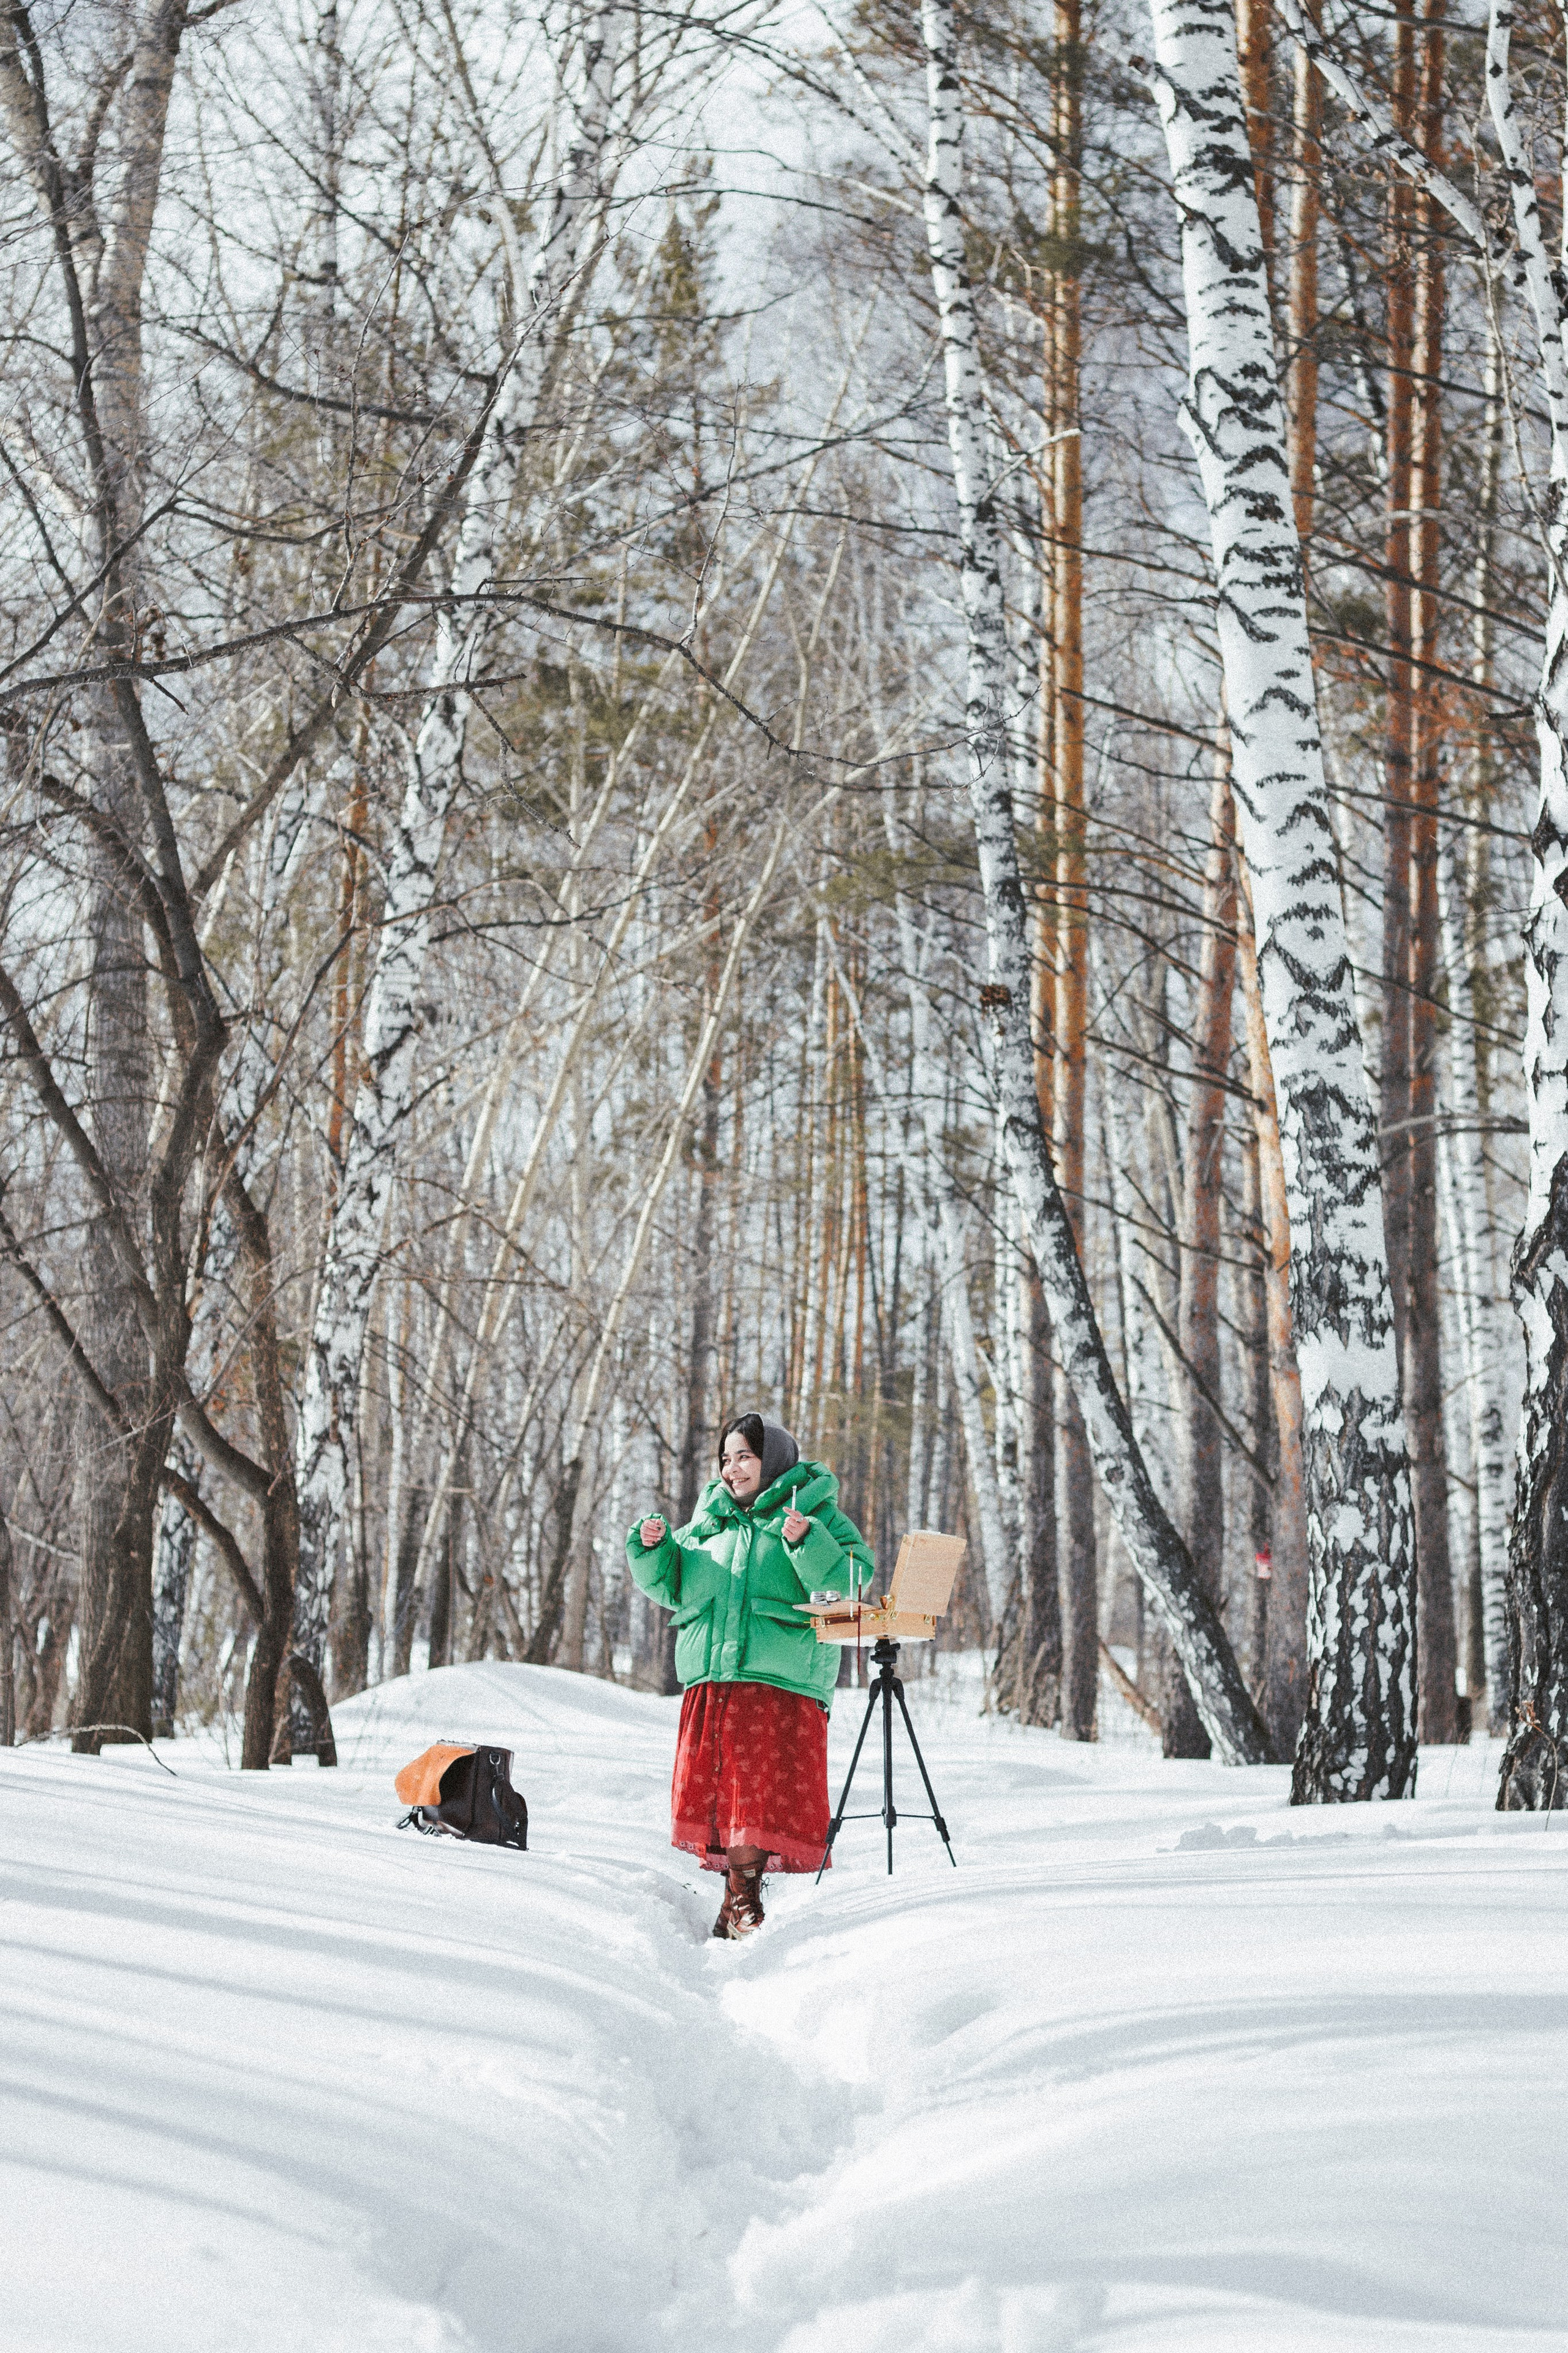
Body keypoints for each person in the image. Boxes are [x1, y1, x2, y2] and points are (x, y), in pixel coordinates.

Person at [628, 1411, 875, 1939]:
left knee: (753, 1795)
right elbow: (674, 1584)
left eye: (744, 1456)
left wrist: (808, 1542)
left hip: (778, 1681)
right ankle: (737, 1900)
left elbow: (852, 1581)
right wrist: (654, 1550)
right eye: (726, 1458)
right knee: (726, 1795)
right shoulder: (710, 1519)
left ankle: (743, 1903)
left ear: (774, 1460)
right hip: (715, 1676)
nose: (732, 1469)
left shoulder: (814, 1511)